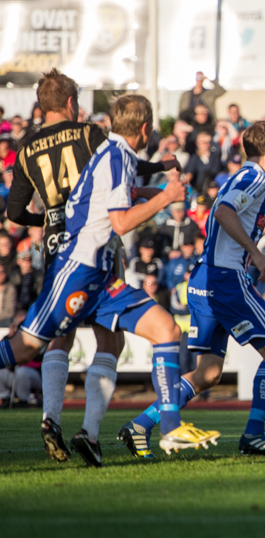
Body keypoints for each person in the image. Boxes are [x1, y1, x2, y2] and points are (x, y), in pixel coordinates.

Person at [2, 94, 220, 464]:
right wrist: (166, 195)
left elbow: (127, 194)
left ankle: (170, 429)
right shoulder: (116, 156)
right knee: (23, 349)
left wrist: (165, 196)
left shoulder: (115, 154)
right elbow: (121, 221)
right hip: (77, 270)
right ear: (147, 128)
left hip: (101, 277)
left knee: (166, 329)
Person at [120, 120, 265, 459]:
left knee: (208, 373)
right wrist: (256, 253)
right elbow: (224, 213)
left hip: (206, 279)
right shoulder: (254, 178)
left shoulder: (242, 177)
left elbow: (226, 229)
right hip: (225, 282)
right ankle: (254, 434)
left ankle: (140, 424)